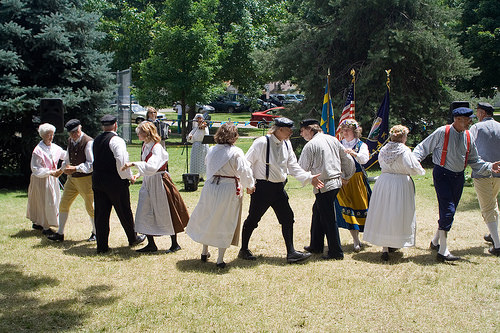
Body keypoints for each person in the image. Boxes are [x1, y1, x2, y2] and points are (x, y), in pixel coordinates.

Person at [413, 107, 500, 262]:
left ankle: (435, 242)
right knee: (448, 210)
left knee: (449, 212)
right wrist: (412, 164)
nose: (470, 122)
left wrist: (489, 166)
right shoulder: (442, 132)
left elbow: (475, 160)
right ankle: (443, 251)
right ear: (457, 119)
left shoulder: (468, 135)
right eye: (467, 120)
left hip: (458, 177)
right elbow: (422, 148)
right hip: (442, 175)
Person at [239, 117, 324, 263]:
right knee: (253, 219)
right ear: (279, 129)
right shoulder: (261, 142)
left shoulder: (287, 143)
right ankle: (244, 249)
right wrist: (249, 183)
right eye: (289, 129)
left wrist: (309, 177)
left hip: (279, 189)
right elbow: (247, 163)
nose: (292, 131)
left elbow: (293, 166)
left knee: (288, 218)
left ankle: (291, 253)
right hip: (263, 189)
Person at [186, 123, 254, 268]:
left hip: (210, 187)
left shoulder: (212, 150)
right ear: (234, 136)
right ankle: (220, 259)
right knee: (225, 219)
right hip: (228, 188)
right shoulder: (236, 152)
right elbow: (244, 171)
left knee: (208, 217)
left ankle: (204, 251)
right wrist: (250, 185)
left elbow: (207, 165)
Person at [122, 121, 189, 253]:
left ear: (147, 133)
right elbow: (147, 166)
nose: (138, 135)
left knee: (165, 211)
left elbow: (153, 167)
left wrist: (133, 164)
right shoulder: (145, 146)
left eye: (140, 132)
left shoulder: (157, 148)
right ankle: (151, 244)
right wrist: (138, 174)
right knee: (144, 210)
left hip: (159, 182)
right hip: (149, 181)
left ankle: (174, 244)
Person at [363, 125, 425, 261]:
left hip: (384, 181)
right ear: (403, 137)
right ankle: (393, 243)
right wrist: (419, 171)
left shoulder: (383, 149)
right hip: (400, 183)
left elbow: (380, 162)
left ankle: (386, 247)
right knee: (397, 213)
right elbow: (413, 167)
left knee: (384, 212)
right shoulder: (405, 150)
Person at [298, 119, 355, 260]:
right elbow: (347, 159)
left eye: (302, 130)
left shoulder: (311, 145)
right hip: (335, 183)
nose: (301, 134)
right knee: (317, 211)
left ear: (310, 130)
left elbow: (302, 168)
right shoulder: (332, 139)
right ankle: (316, 245)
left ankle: (336, 252)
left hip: (324, 185)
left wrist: (307, 177)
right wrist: (347, 175)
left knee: (328, 218)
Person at [92, 114, 146, 254]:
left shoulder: (96, 140)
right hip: (114, 181)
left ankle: (102, 245)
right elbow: (121, 162)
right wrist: (128, 177)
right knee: (124, 211)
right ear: (115, 125)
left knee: (101, 214)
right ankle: (132, 238)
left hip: (98, 180)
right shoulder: (116, 140)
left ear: (103, 126)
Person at [47, 119, 96, 242]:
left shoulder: (88, 142)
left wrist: (75, 168)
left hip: (85, 179)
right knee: (64, 204)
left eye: (76, 132)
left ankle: (96, 232)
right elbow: (67, 160)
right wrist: (61, 170)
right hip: (72, 179)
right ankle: (60, 233)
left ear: (80, 128)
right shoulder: (70, 141)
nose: (74, 135)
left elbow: (91, 165)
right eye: (71, 133)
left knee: (90, 206)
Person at [335, 119, 371, 252]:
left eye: (347, 130)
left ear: (355, 131)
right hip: (343, 179)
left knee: (361, 206)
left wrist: (353, 153)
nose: (344, 132)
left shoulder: (361, 145)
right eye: (343, 130)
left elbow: (364, 159)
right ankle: (356, 240)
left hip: (357, 180)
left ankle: (366, 236)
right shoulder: (339, 144)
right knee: (347, 206)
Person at [470, 102, 500, 256]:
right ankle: (493, 234)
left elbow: (468, 145)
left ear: (482, 113)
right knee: (492, 203)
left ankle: (497, 245)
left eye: (477, 112)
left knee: (487, 208)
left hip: (483, 172)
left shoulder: (476, 128)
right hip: (499, 173)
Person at [27, 123, 65, 235]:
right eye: (48, 134)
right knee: (43, 202)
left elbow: (65, 155)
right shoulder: (38, 150)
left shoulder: (55, 148)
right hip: (41, 180)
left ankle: (42, 223)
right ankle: (44, 225)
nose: (51, 137)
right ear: (43, 135)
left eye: (52, 134)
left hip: (52, 179)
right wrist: (49, 172)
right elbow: (35, 168)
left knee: (52, 201)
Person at [187, 113, 209, 181]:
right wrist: (190, 137)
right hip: (196, 146)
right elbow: (190, 137)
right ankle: (195, 175)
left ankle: (202, 176)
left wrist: (203, 128)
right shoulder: (195, 128)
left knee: (203, 161)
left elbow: (206, 134)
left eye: (200, 118)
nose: (199, 120)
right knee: (196, 161)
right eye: (197, 118)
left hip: (203, 145)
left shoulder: (205, 127)